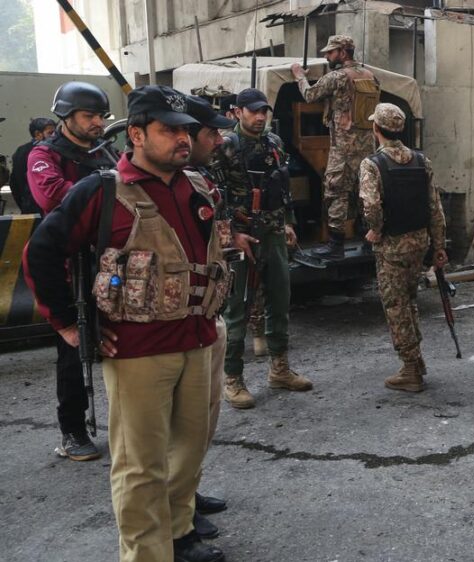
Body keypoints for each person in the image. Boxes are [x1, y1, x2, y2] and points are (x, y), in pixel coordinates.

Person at [23, 85, 228, 562]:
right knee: (140, 465)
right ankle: (147, 554)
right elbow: (43, 253)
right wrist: (69, 325)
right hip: (138, 350)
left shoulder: (195, 185)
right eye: (168, 130)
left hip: (197, 340)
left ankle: (179, 535)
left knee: (189, 447)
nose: (182, 139)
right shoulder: (101, 190)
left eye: (184, 130)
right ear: (136, 134)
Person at [28, 82, 117, 462]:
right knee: (73, 346)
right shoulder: (43, 155)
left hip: (109, 261)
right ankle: (73, 430)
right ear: (66, 117)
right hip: (69, 264)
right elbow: (53, 196)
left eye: (101, 116)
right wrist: (102, 193)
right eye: (89, 116)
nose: (97, 123)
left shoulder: (106, 153)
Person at [213, 88, 313, 410]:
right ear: (238, 111)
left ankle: (279, 369)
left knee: (280, 299)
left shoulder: (274, 143)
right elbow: (213, 195)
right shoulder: (225, 146)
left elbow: (282, 188)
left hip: (272, 232)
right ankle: (233, 378)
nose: (260, 117)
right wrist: (231, 235)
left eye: (263, 112)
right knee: (237, 308)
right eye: (253, 111)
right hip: (241, 237)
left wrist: (288, 223)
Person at [358, 103, 448, 391]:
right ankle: (416, 360)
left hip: (392, 246)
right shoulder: (421, 161)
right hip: (419, 242)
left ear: (376, 129)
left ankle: (410, 369)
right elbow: (436, 208)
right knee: (409, 302)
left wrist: (375, 228)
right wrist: (438, 246)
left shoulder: (372, 164)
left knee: (396, 307)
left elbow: (371, 204)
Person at [184, 94, 240, 539]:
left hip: (208, 312)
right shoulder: (132, 185)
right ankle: (177, 517)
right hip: (170, 325)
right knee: (174, 426)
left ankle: (187, 491)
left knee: (202, 417)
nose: (219, 140)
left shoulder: (200, 176)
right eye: (211, 133)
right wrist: (67, 323)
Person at [291, 34, 380, 260]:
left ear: (342, 52)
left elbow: (310, 95)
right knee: (366, 194)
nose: (327, 56)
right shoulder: (371, 76)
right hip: (367, 147)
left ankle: (336, 245)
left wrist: (300, 76)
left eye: (330, 52)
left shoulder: (337, 77)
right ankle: (369, 241)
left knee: (335, 191)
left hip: (342, 148)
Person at [10, 117, 55, 214]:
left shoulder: (20, 151)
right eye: (50, 133)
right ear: (38, 134)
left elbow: (14, 185)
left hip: (29, 208)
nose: (55, 136)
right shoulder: (47, 152)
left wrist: (24, 205)